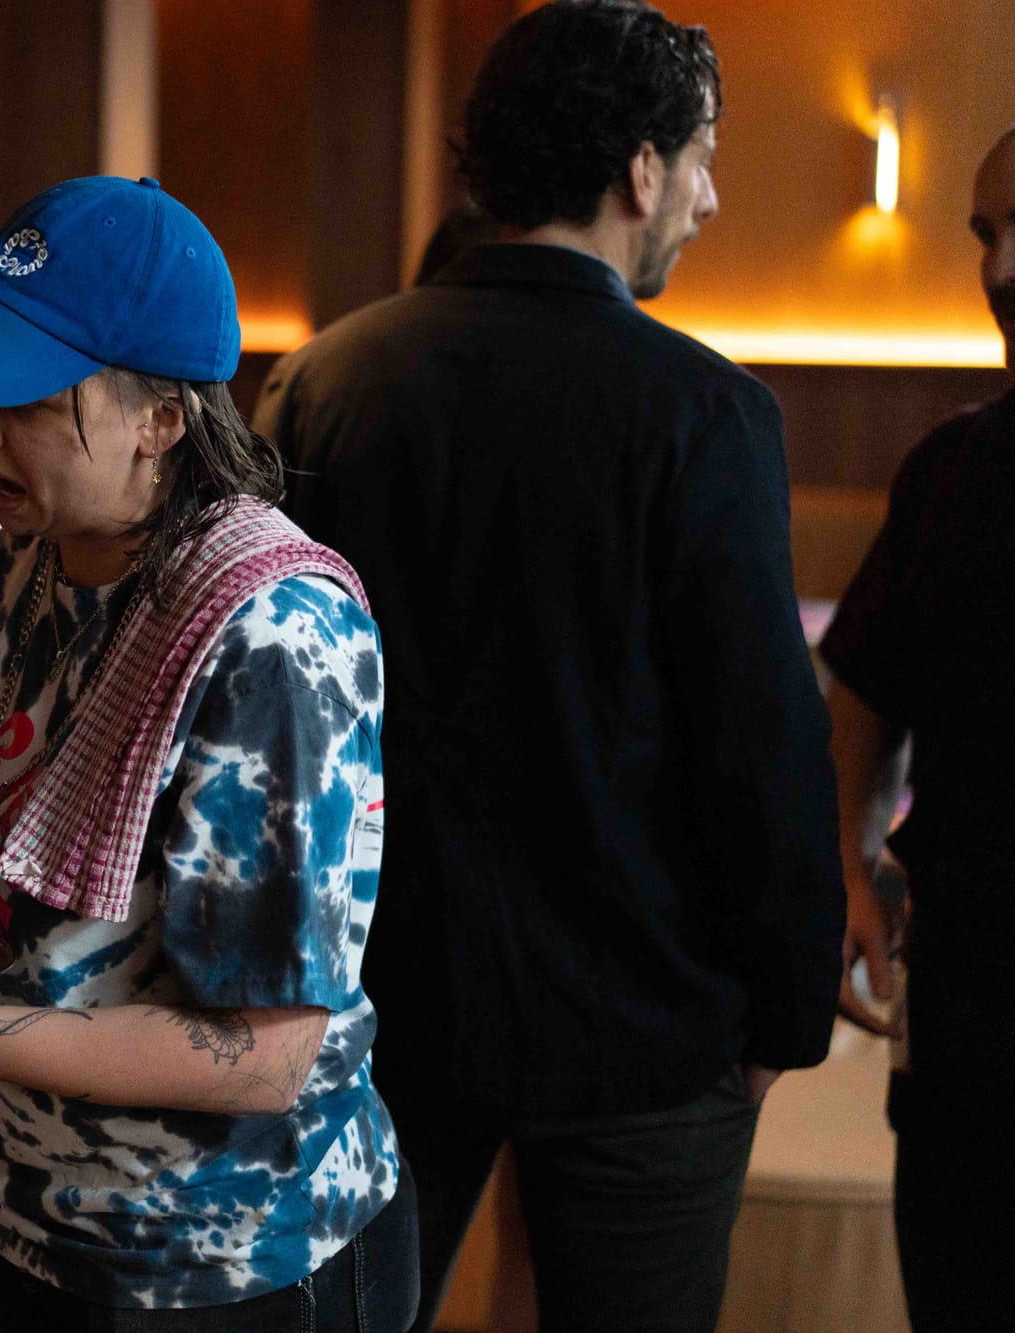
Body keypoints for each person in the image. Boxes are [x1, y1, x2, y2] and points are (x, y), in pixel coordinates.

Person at [253, 3, 844, 1329]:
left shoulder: (323, 382)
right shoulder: (706, 411)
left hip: (372, 1003)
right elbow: (762, 747)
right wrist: (784, 1020)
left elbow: (268, 716)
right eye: (702, 155)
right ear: (641, 169)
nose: (709, 192)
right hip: (647, 1021)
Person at [0, 174, 417, 1330]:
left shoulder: (273, 632)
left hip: (226, 1256)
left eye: (28, 396)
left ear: (163, 417)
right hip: (21, 1216)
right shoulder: (17, 566)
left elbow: (261, 1058)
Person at [820, 125, 1015, 1331]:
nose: (1000, 268)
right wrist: (845, 858)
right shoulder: (949, 470)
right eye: (987, 235)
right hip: (969, 1037)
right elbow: (862, 687)